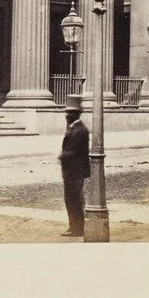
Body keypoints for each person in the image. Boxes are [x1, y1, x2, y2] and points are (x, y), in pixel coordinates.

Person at [59, 97, 90, 238]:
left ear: (75, 114)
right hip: (73, 171)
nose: (67, 115)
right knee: (73, 200)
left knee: (73, 200)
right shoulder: (76, 128)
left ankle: (76, 229)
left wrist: (62, 156)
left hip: (74, 172)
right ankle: (75, 227)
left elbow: (73, 151)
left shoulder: (79, 130)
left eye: (69, 113)